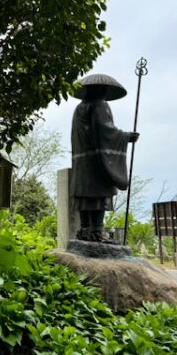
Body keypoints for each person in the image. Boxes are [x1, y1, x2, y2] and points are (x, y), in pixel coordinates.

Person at [70, 74, 139, 243]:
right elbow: (106, 130)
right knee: (99, 196)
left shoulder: (79, 108)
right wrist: (126, 137)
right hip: (96, 162)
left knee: (85, 197)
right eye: (105, 90)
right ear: (101, 89)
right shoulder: (100, 104)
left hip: (81, 161)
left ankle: (84, 231)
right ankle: (97, 231)